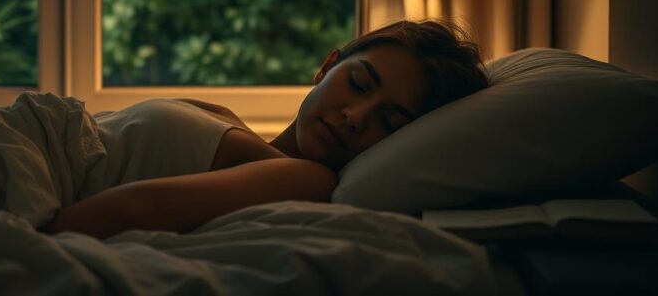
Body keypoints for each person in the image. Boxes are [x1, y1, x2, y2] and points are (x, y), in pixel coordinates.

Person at [41, 19, 488, 239]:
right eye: (357, 83)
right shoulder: (234, 126)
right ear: (326, 66)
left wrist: (23, 239)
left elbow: (133, 209)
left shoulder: (308, 178)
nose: (356, 115)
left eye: (389, 121)